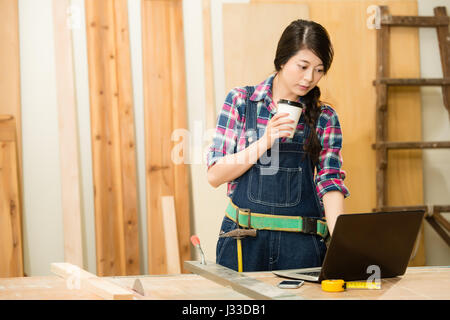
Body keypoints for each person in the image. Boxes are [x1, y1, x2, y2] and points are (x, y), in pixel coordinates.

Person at [206, 19, 350, 272]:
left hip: (302, 247)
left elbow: (330, 182)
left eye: (319, 69)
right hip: (244, 241)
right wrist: (265, 141)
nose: (310, 78)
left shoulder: (325, 117)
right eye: (303, 66)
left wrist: (344, 243)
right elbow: (215, 175)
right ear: (282, 60)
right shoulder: (241, 101)